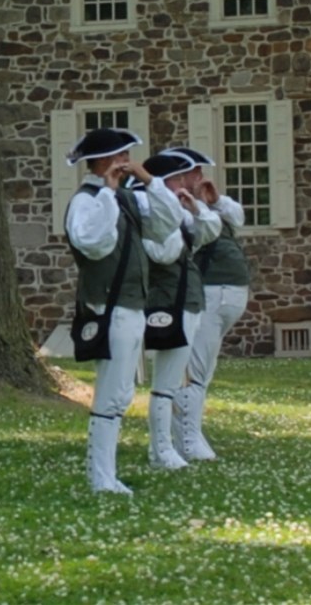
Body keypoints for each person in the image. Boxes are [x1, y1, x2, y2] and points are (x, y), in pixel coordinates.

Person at [51, 128, 177, 494]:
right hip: (107, 305)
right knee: (110, 392)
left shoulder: (126, 198)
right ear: (106, 161)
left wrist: (150, 182)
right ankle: (100, 476)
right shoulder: (88, 200)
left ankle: (107, 474)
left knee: (121, 392)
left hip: (132, 305)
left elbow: (168, 224)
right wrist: (108, 191)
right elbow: (93, 243)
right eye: (123, 156)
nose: (128, 162)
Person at [134, 150, 218, 471]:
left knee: (173, 379)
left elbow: (210, 230)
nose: (184, 184)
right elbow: (165, 252)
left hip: (187, 298)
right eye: (177, 178)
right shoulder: (151, 215)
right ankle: (161, 449)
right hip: (166, 299)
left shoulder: (176, 212)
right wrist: (174, 214)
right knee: (165, 383)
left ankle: (170, 446)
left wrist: (194, 207)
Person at [182, 167, 248, 462]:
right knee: (195, 372)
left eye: (200, 174)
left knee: (204, 371)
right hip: (207, 292)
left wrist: (214, 198)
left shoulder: (215, 207)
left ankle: (191, 433)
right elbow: (199, 232)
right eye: (191, 174)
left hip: (228, 294)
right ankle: (188, 438)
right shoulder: (182, 209)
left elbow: (238, 216)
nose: (198, 179)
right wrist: (196, 205)